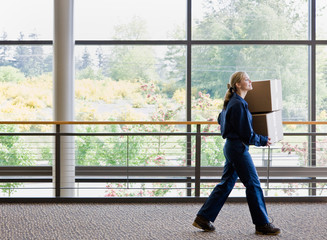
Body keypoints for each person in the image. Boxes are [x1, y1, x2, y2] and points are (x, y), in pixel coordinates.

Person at [192, 71, 280, 235]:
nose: (250, 81)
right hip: (238, 149)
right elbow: (246, 134)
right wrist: (263, 140)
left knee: (226, 184)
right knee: (253, 184)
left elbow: (221, 119)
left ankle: (203, 218)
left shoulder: (232, 102)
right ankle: (262, 224)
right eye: (246, 79)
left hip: (232, 147)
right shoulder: (238, 104)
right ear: (238, 84)